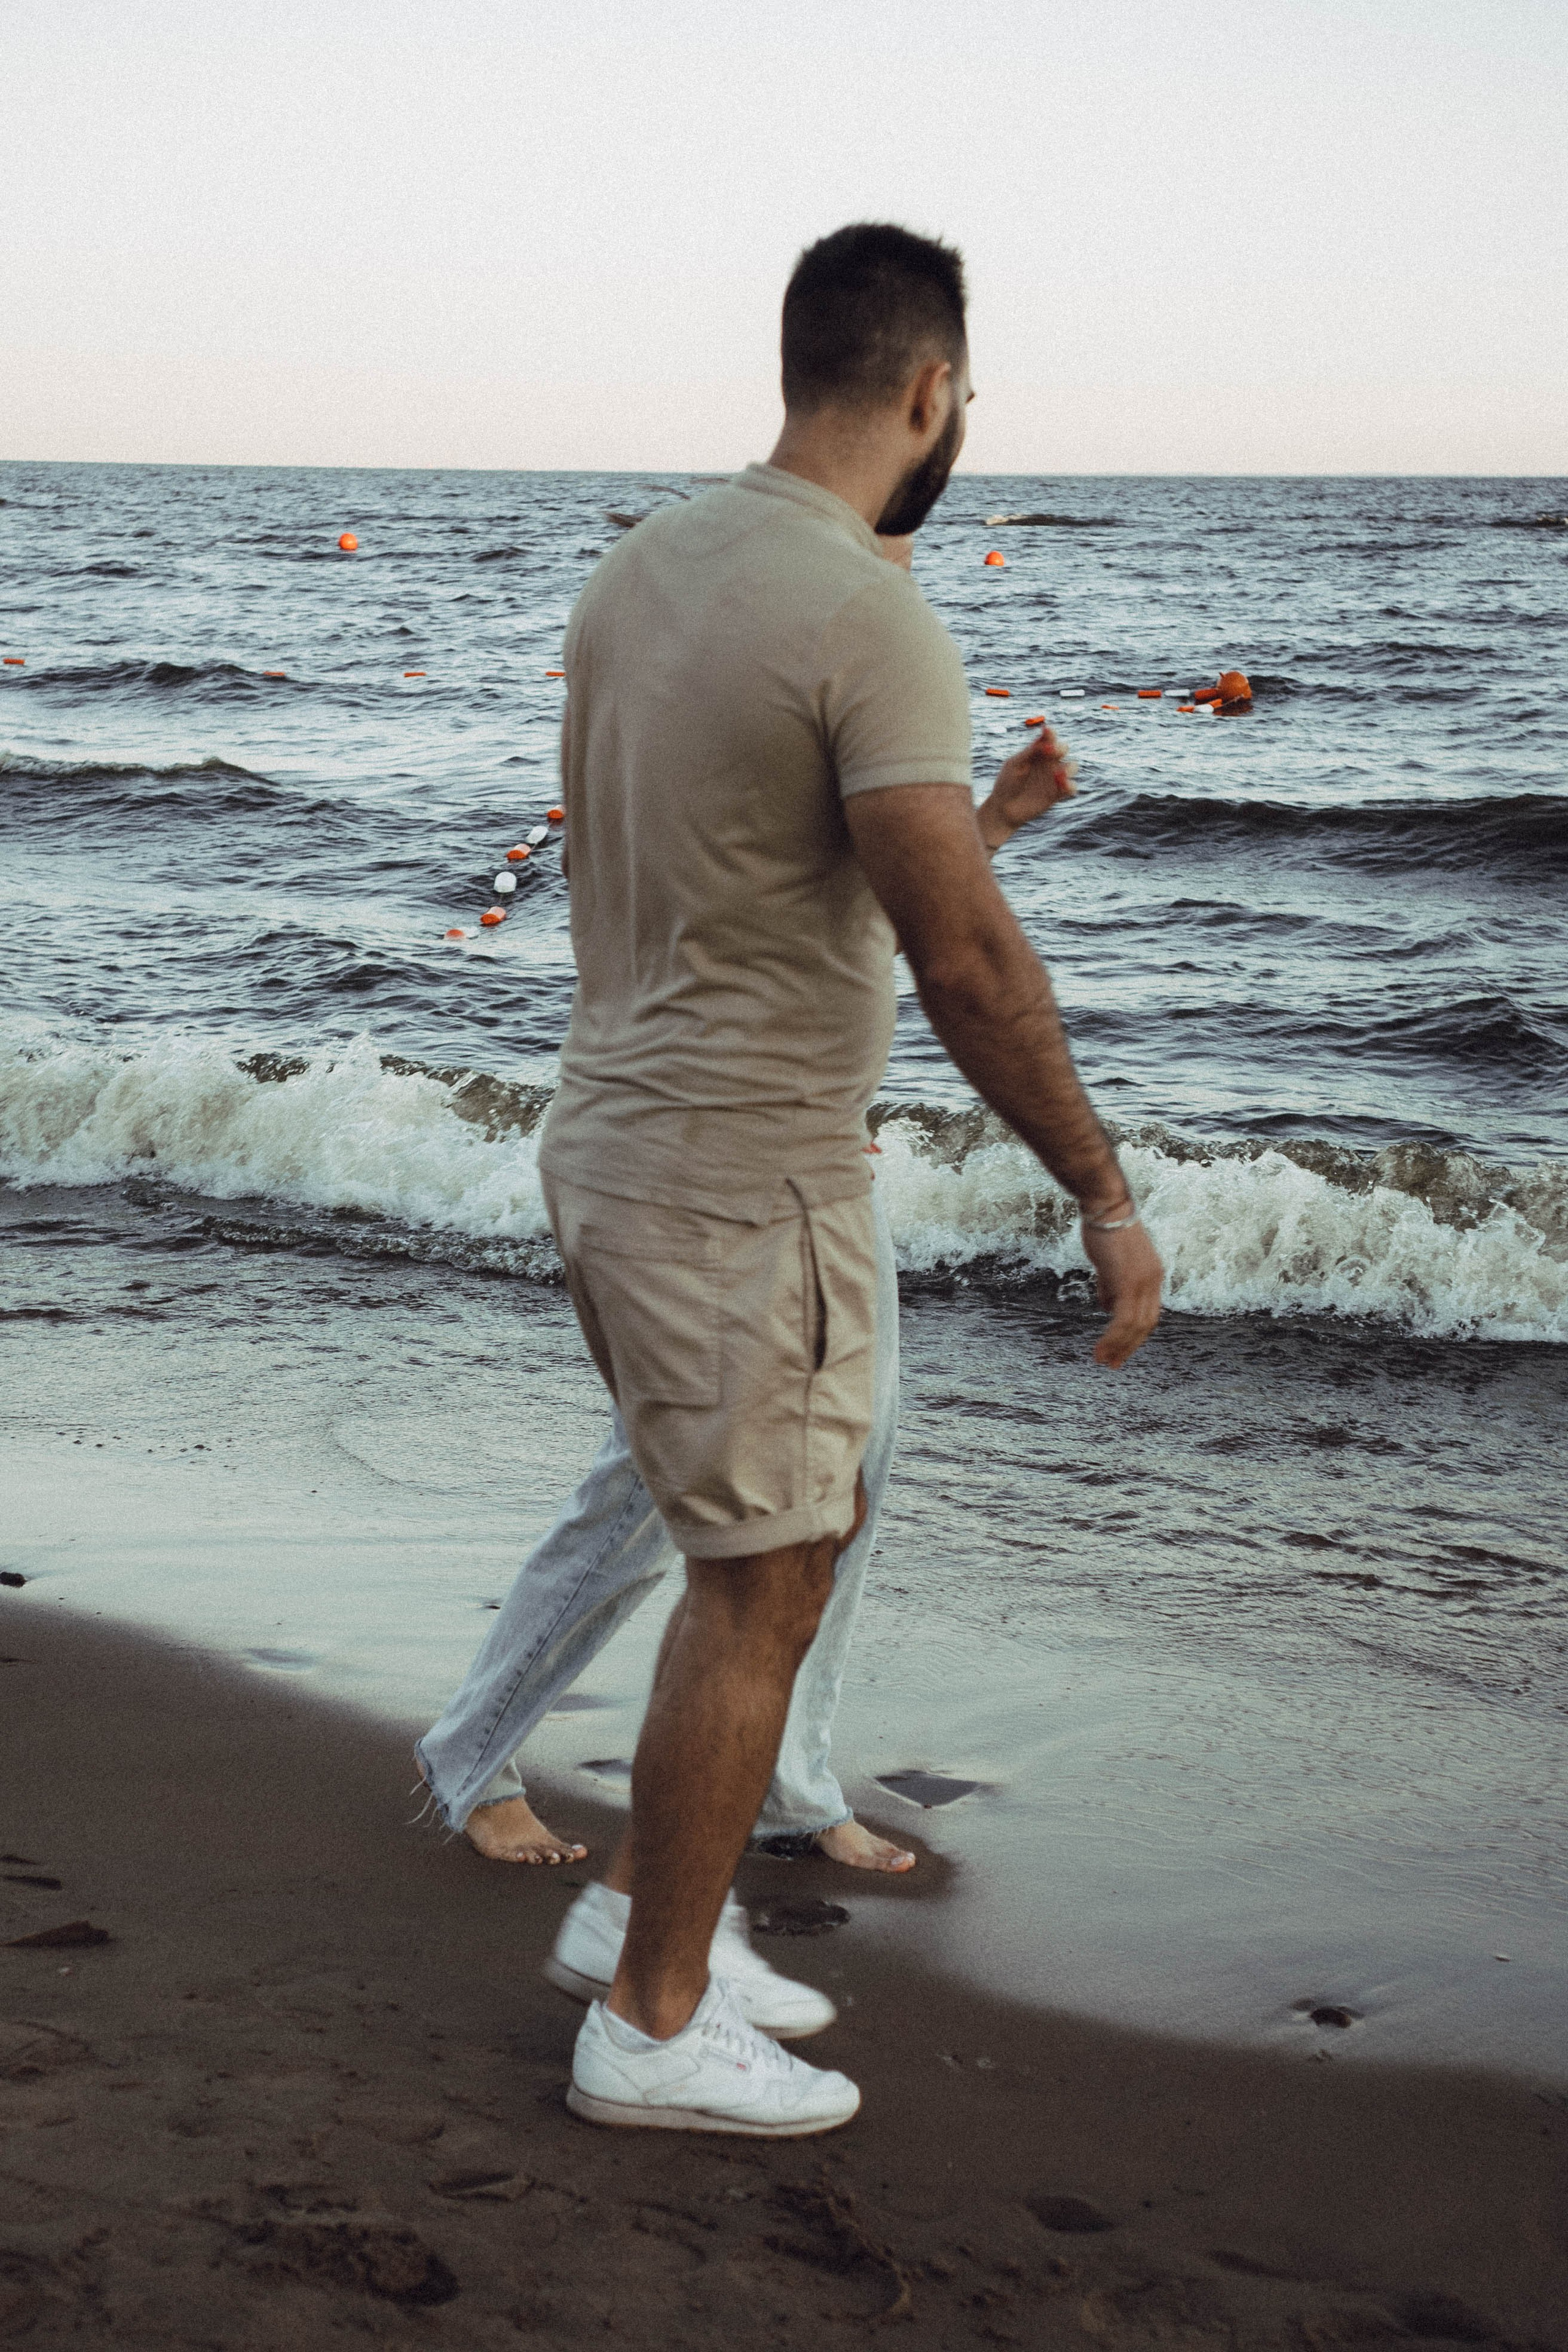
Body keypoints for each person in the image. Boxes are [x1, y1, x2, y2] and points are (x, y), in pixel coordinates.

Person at [528, 222, 1162, 2138]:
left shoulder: (645, 570)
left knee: (804, 1526)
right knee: (765, 1575)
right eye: (963, 391)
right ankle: (646, 2026)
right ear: (929, 389)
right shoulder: (870, 610)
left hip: (639, 1131)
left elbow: (772, 875)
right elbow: (961, 952)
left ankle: (654, 1924)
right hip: (740, 1174)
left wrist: (979, 823)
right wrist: (1101, 1189)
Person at [413, 551, 1077, 1885]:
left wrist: (992, 821)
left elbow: (848, 912)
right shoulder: (729, 665)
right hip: (700, 1158)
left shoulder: (828, 657)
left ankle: (785, 1778)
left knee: (851, 1477)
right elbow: (762, 925)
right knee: (653, 1493)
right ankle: (473, 1754)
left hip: (813, 1161)